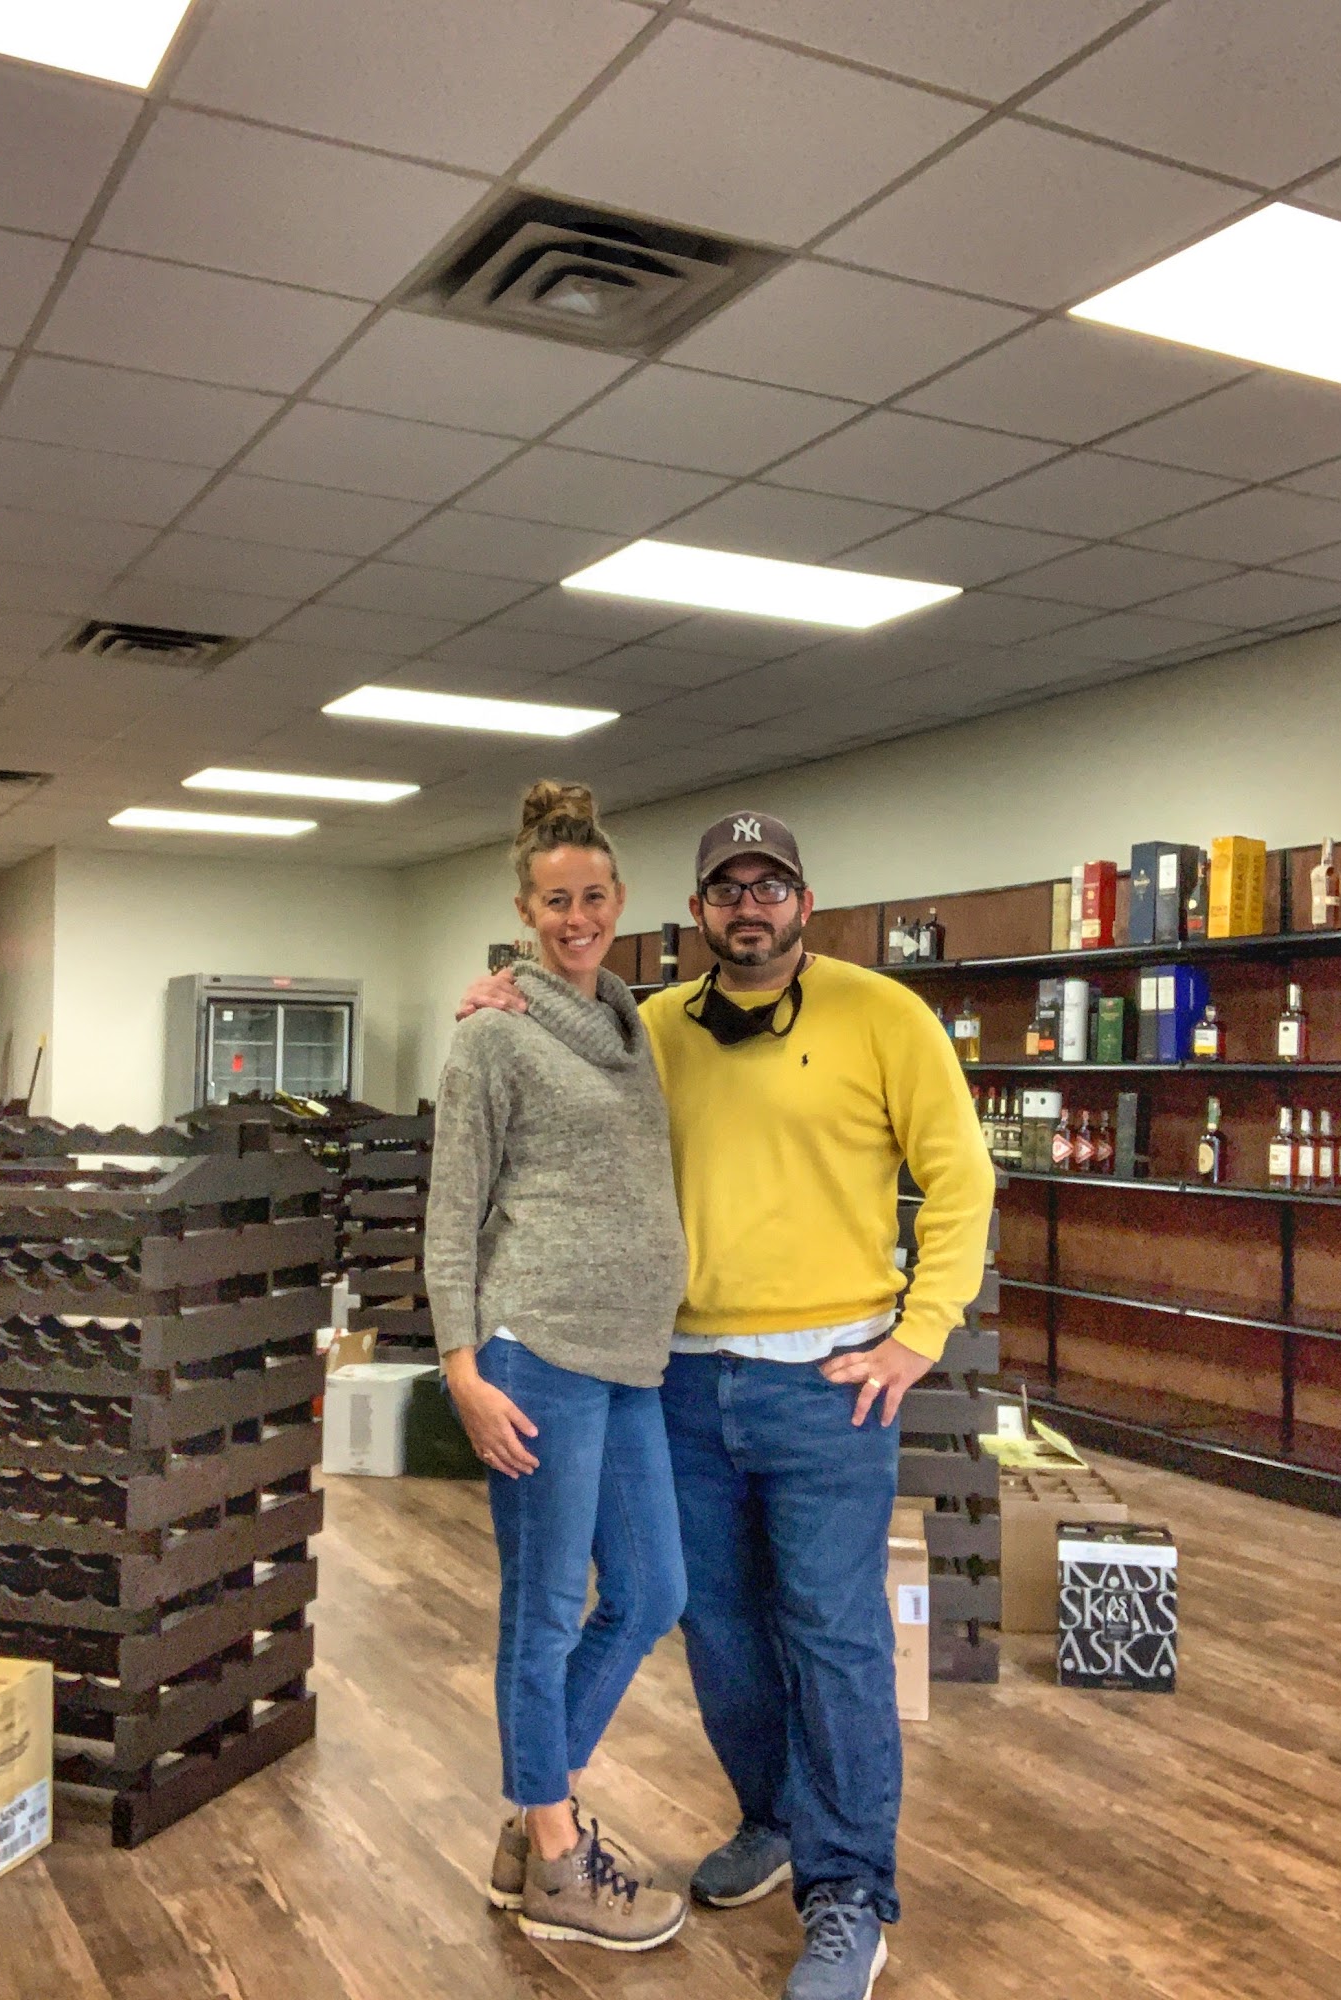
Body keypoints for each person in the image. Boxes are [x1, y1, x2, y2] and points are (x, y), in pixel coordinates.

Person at [458, 808, 995, 2000]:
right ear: (697, 909)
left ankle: (849, 1891)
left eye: (771, 885)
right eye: (727, 888)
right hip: (682, 1378)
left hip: (830, 1385)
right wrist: (502, 996)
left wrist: (920, 1333)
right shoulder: (649, 1028)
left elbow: (961, 1178)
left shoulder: (884, 1015)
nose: (750, 906)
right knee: (717, 1626)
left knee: (834, 1632)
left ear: (805, 900)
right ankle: (776, 1816)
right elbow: (551, 1059)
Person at [424, 781, 691, 1954]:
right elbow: (450, 1211)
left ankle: (538, 1807)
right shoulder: (493, 1034)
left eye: (593, 896)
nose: (576, 916)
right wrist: (460, 1365)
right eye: (555, 900)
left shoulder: (635, 1028)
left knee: (653, 1590)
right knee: (542, 1611)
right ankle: (554, 1851)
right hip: (534, 1353)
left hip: (632, 1357)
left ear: (619, 900)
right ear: (524, 911)